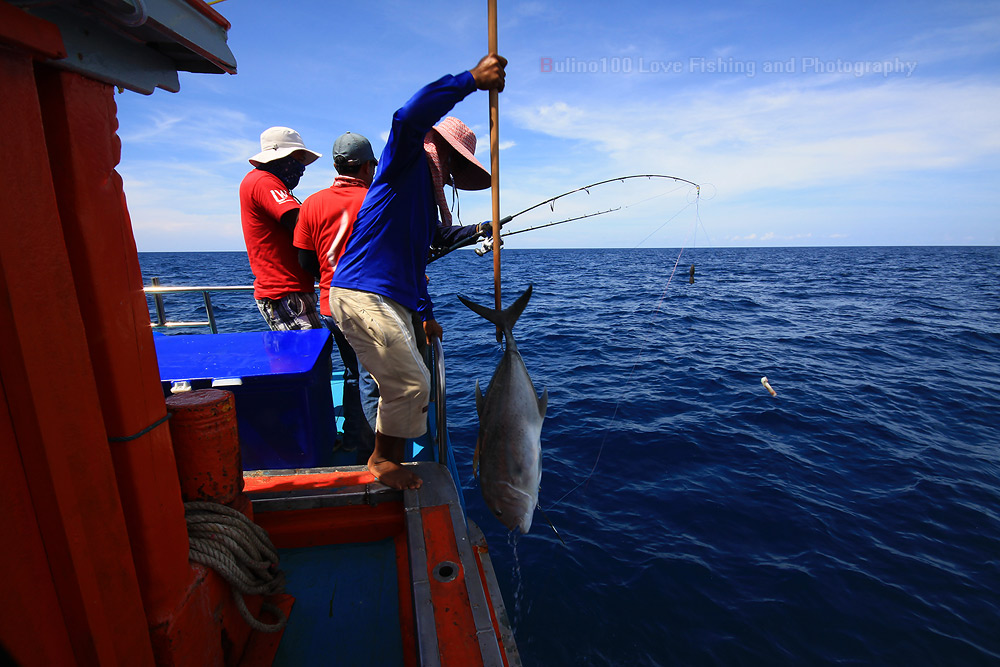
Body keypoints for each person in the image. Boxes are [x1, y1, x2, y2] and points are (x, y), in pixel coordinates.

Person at [329, 54, 507, 490]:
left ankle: (386, 456)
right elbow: (406, 116)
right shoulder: (403, 162)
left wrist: (425, 314)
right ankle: (381, 460)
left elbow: (423, 255)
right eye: (453, 163)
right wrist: (470, 80)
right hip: (361, 292)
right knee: (411, 381)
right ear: (440, 148)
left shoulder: (426, 204)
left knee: (409, 381)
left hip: (394, 296)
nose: (450, 175)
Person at [294, 132, 381, 462]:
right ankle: (373, 454)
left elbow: (305, 260)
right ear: (366, 167)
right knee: (371, 379)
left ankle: (352, 437)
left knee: (351, 372)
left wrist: (330, 281)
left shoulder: (312, 203)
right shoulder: (377, 200)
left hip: (331, 307)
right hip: (367, 309)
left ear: (335, 165)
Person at [239, 126, 323, 331]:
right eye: (298, 160)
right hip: (285, 292)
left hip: (291, 290)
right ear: (278, 158)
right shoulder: (263, 182)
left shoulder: (264, 183)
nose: (302, 169)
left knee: (308, 358)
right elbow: (301, 224)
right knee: (306, 359)